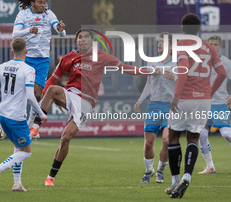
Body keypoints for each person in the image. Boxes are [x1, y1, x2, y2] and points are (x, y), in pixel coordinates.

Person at [36, 29, 153, 186]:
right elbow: (52, 80)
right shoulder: (68, 58)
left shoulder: (101, 56)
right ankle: (35, 126)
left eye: (86, 37)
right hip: (71, 96)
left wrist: (147, 72)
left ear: (91, 41)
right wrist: (40, 97)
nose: (83, 40)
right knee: (52, 90)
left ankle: (51, 177)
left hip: (86, 103)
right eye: (80, 37)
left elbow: (124, 67)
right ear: (76, 41)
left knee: (65, 138)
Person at [0, 37, 47, 192]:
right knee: (26, 152)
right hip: (17, 118)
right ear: (26, 51)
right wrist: (41, 114)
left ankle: (17, 184)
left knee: (18, 149)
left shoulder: (3, 66)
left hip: (3, 116)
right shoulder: (28, 70)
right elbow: (31, 97)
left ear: (12, 51)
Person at [166, 13, 226, 198]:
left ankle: (176, 180)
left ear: (183, 29)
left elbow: (183, 69)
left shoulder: (182, 45)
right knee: (193, 137)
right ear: (199, 29)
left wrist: (176, 96)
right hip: (204, 100)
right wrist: (209, 92)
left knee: (173, 136)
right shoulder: (209, 48)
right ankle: (187, 176)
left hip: (185, 97)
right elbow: (222, 73)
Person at [12, 0, 66, 133]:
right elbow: (15, 34)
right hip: (27, 58)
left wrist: (61, 30)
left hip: (43, 59)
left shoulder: (49, 15)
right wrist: (28, 30)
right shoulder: (23, 15)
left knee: (37, 94)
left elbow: (60, 31)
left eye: (45, 2)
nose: (43, 5)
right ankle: (19, 118)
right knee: (24, 92)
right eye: (40, 2)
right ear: (32, 3)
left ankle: (30, 122)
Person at [134, 32, 176, 184]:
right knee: (148, 143)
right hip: (154, 106)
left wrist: (175, 77)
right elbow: (148, 84)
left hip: (170, 106)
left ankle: (160, 171)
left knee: (166, 140)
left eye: (163, 42)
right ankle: (148, 170)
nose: (159, 44)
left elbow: (185, 84)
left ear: (170, 47)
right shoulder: (152, 62)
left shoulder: (177, 64)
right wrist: (140, 100)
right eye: (159, 41)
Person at [198, 35, 231, 174]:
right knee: (201, 134)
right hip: (204, 104)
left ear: (220, 46)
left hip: (220, 104)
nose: (213, 47)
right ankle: (210, 167)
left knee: (227, 134)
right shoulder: (201, 62)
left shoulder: (227, 63)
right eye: (210, 44)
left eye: (215, 44)